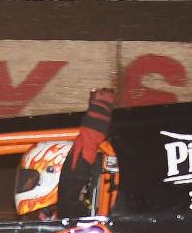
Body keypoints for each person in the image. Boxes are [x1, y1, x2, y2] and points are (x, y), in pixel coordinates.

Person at [14, 87, 117, 220]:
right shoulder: (66, 216)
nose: (26, 185)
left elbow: (73, 173)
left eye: (31, 179)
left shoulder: (68, 212)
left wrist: (99, 111)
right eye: (28, 180)